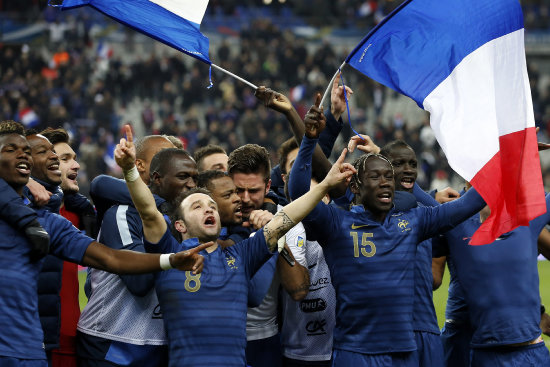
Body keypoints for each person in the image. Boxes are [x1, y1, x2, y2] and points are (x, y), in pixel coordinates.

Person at [113, 124, 355, 367]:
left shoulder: (241, 255)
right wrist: (129, 170)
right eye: (197, 206)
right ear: (179, 225)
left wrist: (324, 185)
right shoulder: (169, 254)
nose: (208, 208)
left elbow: (287, 217)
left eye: (212, 206)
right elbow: (148, 211)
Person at [288, 99, 487, 366]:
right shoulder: (337, 222)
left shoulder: (414, 220)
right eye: (376, 177)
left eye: (388, 177)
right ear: (355, 186)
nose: (385, 183)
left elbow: (467, 204)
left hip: (404, 352)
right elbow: (299, 195)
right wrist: (309, 142)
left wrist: (509, 158)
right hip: (355, 352)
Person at [0, 120, 205, 366]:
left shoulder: (51, 221)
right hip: (108, 343)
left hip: (30, 348)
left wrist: (169, 260)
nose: (22, 154)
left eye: (26, 150)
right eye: (10, 149)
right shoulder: (120, 214)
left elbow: (110, 258)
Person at [78, 148, 198, 367]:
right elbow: (139, 282)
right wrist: (162, 218)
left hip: (161, 342)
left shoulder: (195, 219)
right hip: (113, 341)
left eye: (195, 178)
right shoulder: (123, 213)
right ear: (156, 178)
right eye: (183, 176)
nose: (191, 184)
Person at [414, 183, 550, 367]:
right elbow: (418, 194)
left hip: (531, 351)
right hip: (480, 346)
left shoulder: (527, 223)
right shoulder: (458, 228)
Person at [379, 140, 444, 366]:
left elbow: (435, 279)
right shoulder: (364, 213)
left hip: (425, 328)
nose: (408, 169)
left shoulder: (425, 214)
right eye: (399, 164)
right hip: (384, 334)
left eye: (413, 164)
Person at [39, 127, 96, 367]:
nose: (76, 165)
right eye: (65, 159)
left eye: (74, 158)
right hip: (39, 341)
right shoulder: (25, 212)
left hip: (77, 337)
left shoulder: (82, 214)